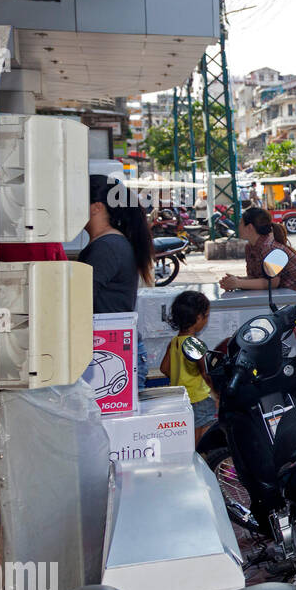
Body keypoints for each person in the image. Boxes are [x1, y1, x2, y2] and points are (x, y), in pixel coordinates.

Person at [221, 207, 296, 408]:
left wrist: (238, 282)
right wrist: (234, 281)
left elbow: (271, 282)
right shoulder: (251, 247)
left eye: (240, 223)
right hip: (294, 308)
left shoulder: (270, 248)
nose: (237, 226)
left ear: (249, 226)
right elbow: (258, 280)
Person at [81, 175, 156, 387]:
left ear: (96, 207)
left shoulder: (107, 247)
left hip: (113, 354)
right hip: (114, 351)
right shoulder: (111, 243)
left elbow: (81, 302)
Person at [160, 290, 216, 442]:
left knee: (189, 431)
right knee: (201, 434)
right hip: (199, 397)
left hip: (181, 397)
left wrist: (181, 378)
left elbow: (164, 368)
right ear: (198, 318)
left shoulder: (174, 342)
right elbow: (205, 373)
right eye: (207, 316)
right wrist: (217, 395)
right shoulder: (195, 344)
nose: (206, 320)